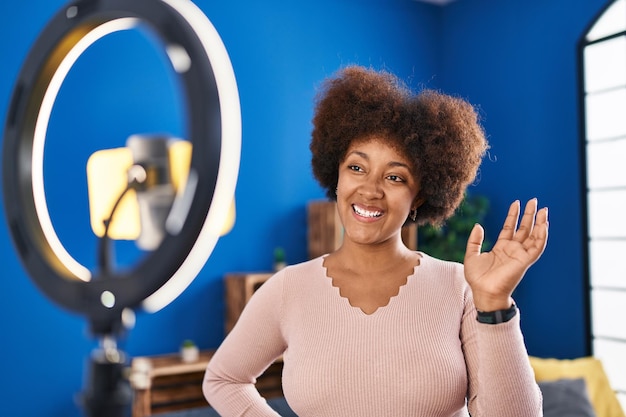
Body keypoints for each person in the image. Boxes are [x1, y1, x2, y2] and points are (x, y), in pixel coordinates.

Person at [203, 65, 548, 417]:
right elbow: (223, 379)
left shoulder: (458, 287)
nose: (370, 189)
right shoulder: (288, 289)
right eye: (356, 167)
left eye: (395, 177)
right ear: (335, 174)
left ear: (418, 197)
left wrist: (494, 302)